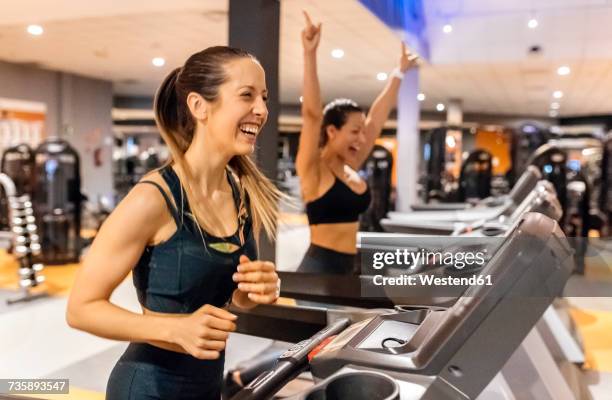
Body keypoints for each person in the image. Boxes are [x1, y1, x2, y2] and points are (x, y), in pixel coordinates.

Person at [66, 46, 283, 400]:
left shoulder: (240, 193)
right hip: (147, 387)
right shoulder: (153, 198)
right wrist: (174, 329)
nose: (261, 110)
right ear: (200, 107)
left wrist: (255, 290)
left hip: (206, 384)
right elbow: (81, 309)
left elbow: (237, 298)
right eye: (247, 95)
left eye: (264, 97)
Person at [296, 12, 418, 274]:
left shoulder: (351, 163)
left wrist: (399, 72)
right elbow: (311, 115)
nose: (362, 139)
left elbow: (376, 119)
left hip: (349, 268)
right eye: (354, 131)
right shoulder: (313, 168)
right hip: (318, 270)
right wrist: (310, 54)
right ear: (331, 131)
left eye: (362, 132)